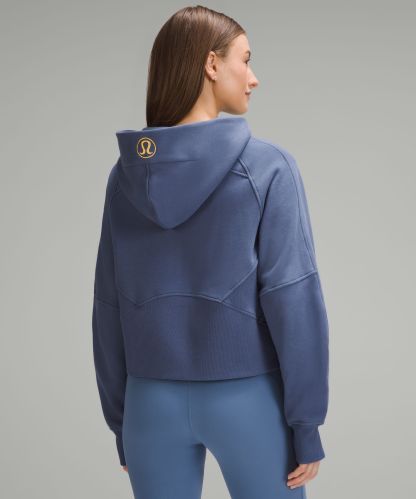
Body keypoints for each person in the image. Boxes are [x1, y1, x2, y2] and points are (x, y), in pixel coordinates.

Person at [92, 5, 329, 498]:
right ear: (212, 64)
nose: (254, 78)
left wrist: (122, 422)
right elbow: (293, 297)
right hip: (248, 399)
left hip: (148, 404)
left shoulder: (126, 177)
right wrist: (305, 424)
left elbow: (108, 305)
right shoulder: (269, 168)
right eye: (246, 59)